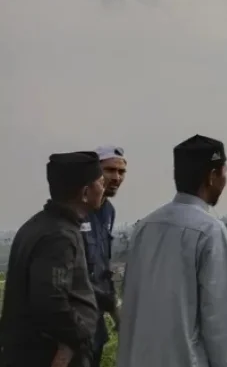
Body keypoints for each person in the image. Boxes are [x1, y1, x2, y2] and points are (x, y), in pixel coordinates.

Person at [116, 134, 227, 367]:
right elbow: (222, 322)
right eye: (224, 173)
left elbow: (131, 300)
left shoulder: (145, 226)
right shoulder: (209, 231)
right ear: (212, 176)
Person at [0, 152, 105, 367]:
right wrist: (78, 337)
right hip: (47, 356)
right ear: (85, 192)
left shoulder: (40, 225)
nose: (104, 190)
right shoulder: (59, 236)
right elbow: (51, 301)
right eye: (101, 183)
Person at [83, 145, 127, 366]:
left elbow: (102, 266)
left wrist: (114, 308)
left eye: (121, 172)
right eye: (110, 170)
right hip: (75, 326)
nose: (117, 177)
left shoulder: (108, 211)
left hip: (96, 325)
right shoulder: (78, 211)